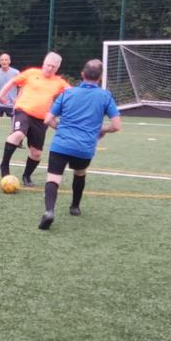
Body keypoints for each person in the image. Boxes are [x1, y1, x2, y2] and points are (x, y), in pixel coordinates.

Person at [38, 59, 121, 230]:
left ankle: (49, 211)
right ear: (100, 77)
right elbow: (116, 126)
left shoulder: (67, 93)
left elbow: (48, 119)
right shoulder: (105, 96)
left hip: (60, 144)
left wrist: (60, 128)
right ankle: (75, 206)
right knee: (80, 172)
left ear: (82, 75)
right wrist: (101, 130)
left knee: (53, 178)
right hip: (84, 148)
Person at [0, 51, 69, 187]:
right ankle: (4, 167)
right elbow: (13, 82)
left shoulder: (59, 83)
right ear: (44, 63)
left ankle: (26, 176)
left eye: (53, 66)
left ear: (58, 68)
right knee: (18, 134)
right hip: (23, 111)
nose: (50, 68)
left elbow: (73, 95)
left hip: (41, 120)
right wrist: (0, 95)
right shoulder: (31, 73)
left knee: (36, 154)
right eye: (48, 65)